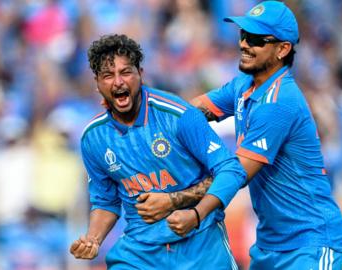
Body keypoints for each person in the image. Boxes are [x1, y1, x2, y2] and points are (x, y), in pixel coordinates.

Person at [136, 1, 342, 269]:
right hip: (270, 244)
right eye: (244, 35)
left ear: (283, 49)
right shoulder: (244, 85)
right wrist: (138, 109)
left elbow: (236, 174)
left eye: (257, 39)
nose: (245, 44)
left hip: (310, 244)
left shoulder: (279, 102)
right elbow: (188, 113)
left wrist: (189, 209)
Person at [69, 34, 246, 269]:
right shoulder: (93, 138)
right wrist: (93, 238)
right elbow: (106, 201)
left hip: (200, 245)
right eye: (108, 75)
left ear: (140, 73)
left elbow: (231, 170)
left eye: (126, 72)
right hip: (141, 253)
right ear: (97, 82)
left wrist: (180, 205)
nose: (118, 82)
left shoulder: (178, 115)